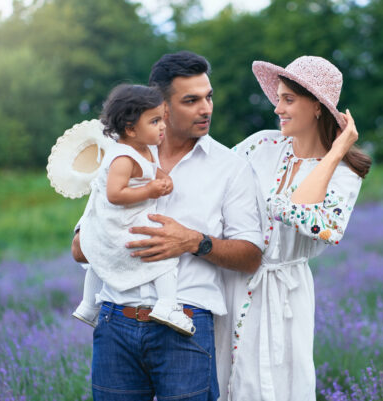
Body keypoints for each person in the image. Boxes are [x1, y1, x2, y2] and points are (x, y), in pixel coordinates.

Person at [71, 51, 264, 401]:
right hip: (115, 323)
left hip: (185, 326)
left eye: (208, 97)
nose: (206, 108)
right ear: (160, 105)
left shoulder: (230, 168)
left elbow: (251, 256)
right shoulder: (119, 158)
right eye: (191, 100)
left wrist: (194, 241)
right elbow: (79, 247)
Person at [215, 56, 371, 401]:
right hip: (234, 282)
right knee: (224, 379)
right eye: (279, 98)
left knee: (278, 384)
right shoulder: (261, 145)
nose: (277, 109)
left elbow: (312, 220)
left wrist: (336, 152)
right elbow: (212, 180)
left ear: (317, 107)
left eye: (288, 100)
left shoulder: (345, 173)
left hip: (285, 294)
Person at [73, 83, 196, 335]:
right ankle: (166, 305)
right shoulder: (122, 157)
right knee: (164, 256)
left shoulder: (144, 150)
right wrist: (149, 191)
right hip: (119, 221)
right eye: (154, 122)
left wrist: (164, 178)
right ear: (130, 129)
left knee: (99, 260)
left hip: (123, 221)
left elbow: (152, 170)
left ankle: (87, 307)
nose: (163, 126)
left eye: (162, 119)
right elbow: (115, 194)